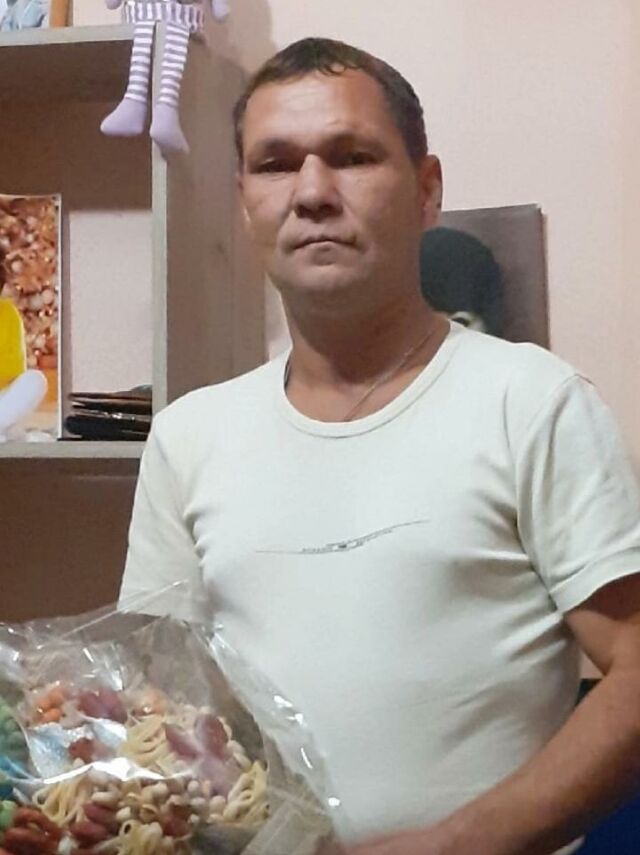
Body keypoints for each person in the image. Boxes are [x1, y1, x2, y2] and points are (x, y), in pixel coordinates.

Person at [120, 37, 640, 855]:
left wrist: (452, 846)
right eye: (275, 164)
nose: (312, 193)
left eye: (352, 156)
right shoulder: (188, 436)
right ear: (243, 201)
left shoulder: (533, 402)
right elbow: (158, 702)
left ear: (427, 190)